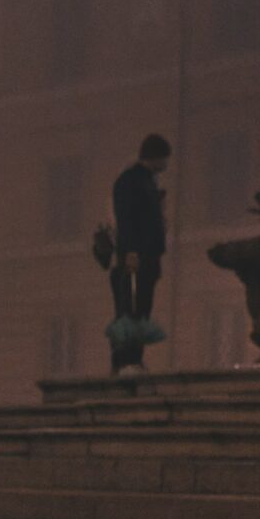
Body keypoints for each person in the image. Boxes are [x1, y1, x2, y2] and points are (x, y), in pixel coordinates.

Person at [108, 132, 171, 373]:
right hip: (136, 256)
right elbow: (127, 219)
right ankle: (125, 360)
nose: (166, 164)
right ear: (154, 157)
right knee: (131, 308)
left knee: (140, 309)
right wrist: (131, 252)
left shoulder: (145, 181)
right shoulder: (131, 181)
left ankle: (133, 358)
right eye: (164, 158)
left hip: (148, 256)